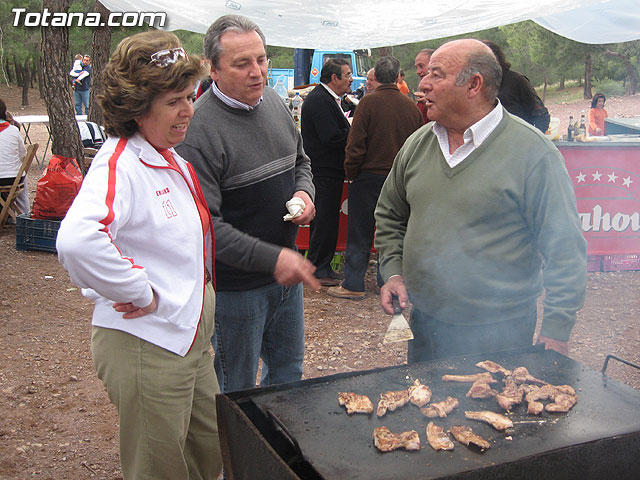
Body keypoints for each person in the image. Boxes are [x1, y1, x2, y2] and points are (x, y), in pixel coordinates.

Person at [56, 31, 222, 479]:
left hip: (188, 339)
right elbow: (77, 239)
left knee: (210, 453)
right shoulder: (121, 163)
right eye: (174, 101)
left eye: (190, 96)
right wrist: (136, 289)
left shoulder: (170, 159)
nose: (188, 109)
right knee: (159, 469)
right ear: (137, 106)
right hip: (147, 344)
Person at [375, 39, 587, 363]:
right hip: (426, 324)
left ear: (473, 85)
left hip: (502, 332)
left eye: (437, 74)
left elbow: (565, 248)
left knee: (492, 412)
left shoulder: (534, 154)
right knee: (424, 409)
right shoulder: (418, 144)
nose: (423, 84)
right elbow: (389, 213)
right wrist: (393, 271)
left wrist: (557, 330)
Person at [176, 14, 319, 394]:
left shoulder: (271, 100)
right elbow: (208, 227)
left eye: (262, 59)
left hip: (286, 279)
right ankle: (234, 454)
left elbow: (300, 160)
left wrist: (305, 194)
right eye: (242, 63)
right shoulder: (197, 132)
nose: (257, 72)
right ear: (214, 69)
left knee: (288, 374)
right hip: (236, 290)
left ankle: (278, 451)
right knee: (236, 389)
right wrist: (275, 259)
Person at [327, 56, 422, 300]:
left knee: (360, 231)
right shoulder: (411, 107)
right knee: (394, 231)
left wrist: (352, 172)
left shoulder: (368, 105)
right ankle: (387, 281)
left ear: (376, 78)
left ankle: (354, 284)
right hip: (400, 179)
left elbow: (355, 144)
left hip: (369, 177)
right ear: (398, 76)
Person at [301, 59, 352, 286]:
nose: (350, 79)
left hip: (328, 169)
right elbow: (330, 137)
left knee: (328, 219)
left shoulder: (327, 99)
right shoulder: (321, 100)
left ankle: (323, 265)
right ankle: (318, 267)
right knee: (323, 220)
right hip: (323, 170)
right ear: (334, 78)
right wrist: (353, 132)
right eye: (347, 75)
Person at [483, 40, 549, 133]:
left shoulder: (517, 81)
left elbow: (541, 116)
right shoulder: (476, 86)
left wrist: (529, 142)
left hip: (518, 141)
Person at [0, 98, 29, 216]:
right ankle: (24, 213)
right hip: (15, 179)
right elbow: (23, 155)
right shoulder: (13, 130)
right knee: (22, 175)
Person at [413, 48, 434, 124]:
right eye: (416, 67)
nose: (418, 72)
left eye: (421, 66)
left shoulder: (443, 93)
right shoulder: (423, 94)